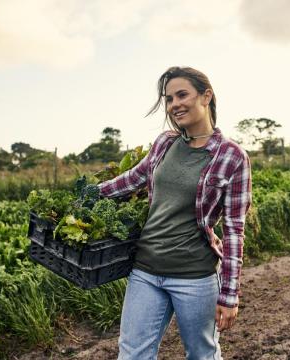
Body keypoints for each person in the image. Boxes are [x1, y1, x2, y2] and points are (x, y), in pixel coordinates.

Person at [98, 66, 251, 360]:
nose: (174, 104)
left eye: (182, 95)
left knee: (201, 354)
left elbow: (234, 231)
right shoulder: (165, 143)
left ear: (206, 97)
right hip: (145, 271)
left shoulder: (232, 157)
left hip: (194, 276)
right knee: (131, 355)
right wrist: (91, 193)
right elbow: (132, 179)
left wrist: (230, 294)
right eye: (169, 99)